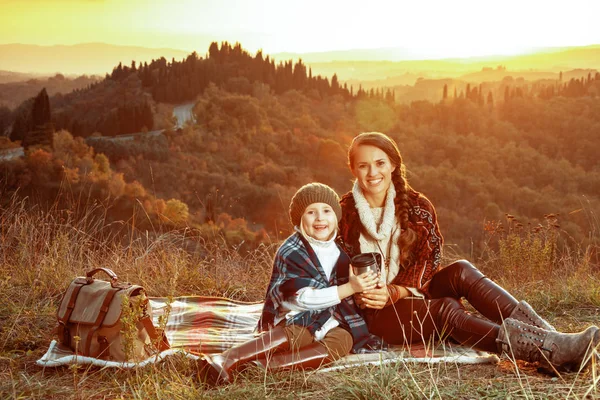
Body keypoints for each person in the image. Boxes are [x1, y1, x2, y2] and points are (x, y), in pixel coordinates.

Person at [337, 131, 599, 375]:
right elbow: (331, 269)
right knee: (444, 310)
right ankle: (548, 351)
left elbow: (431, 260)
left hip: (408, 292)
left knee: (461, 269)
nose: (373, 172)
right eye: (363, 165)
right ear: (353, 169)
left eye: (380, 163)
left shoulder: (417, 205)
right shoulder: (342, 214)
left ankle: (554, 341)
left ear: (393, 165)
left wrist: (396, 291)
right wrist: (364, 292)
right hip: (374, 313)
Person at [198, 183, 383, 384]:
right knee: (300, 334)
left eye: (327, 211)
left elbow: (345, 293)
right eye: (311, 212)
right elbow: (301, 299)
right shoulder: (292, 251)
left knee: (343, 341)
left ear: (336, 216)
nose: (320, 217)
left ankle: (264, 368)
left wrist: (364, 287)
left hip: (328, 316)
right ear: (299, 219)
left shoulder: (339, 253)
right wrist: (349, 288)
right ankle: (227, 358)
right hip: (294, 316)